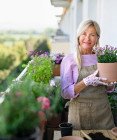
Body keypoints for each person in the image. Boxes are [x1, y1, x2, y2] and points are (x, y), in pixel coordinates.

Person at [60, 19, 115, 130]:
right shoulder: (69, 60)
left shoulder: (102, 58)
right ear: (78, 36)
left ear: (97, 38)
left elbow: (108, 88)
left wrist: (111, 83)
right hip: (80, 114)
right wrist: (86, 82)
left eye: (92, 35)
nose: (87, 38)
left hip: (102, 111)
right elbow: (65, 93)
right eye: (84, 34)